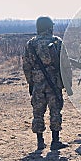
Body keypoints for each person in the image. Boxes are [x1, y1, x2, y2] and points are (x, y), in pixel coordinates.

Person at [22, 16, 69, 150]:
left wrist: (31, 82)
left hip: (37, 83)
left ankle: (40, 141)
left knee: (38, 112)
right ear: (49, 27)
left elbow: (26, 66)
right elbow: (65, 65)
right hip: (54, 83)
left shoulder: (31, 44)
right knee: (55, 111)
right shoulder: (56, 42)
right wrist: (65, 83)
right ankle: (55, 141)